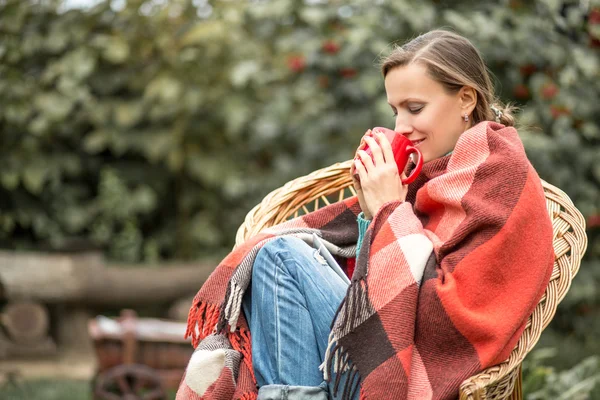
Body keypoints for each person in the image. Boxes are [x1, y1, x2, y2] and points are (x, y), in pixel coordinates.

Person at [176, 29, 554, 400]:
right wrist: (372, 211)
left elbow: (445, 314)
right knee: (276, 256)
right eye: (395, 111)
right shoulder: (426, 177)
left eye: (415, 108)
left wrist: (389, 209)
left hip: (420, 357)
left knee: (280, 257)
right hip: (375, 341)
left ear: (466, 100)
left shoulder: (500, 175)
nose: (402, 126)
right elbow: (371, 278)